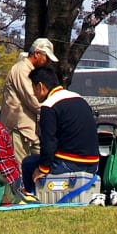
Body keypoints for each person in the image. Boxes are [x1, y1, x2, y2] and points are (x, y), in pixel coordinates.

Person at [21, 66, 100, 197]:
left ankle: (33, 197)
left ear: (40, 86)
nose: (34, 93)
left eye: (34, 88)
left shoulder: (49, 106)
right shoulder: (80, 99)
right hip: (93, 164)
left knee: (28, 163)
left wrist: (43, 169)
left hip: (68, 163)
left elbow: (49, 142)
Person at [1, 38, 56, 161]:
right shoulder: (21, 70)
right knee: (21, 169)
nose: (48, 62)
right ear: (37, 54)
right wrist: (54, 112)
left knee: (41, 164)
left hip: (29, 129)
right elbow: (32, 100)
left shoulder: (29, 70)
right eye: (46, 57)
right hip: (18, 129)